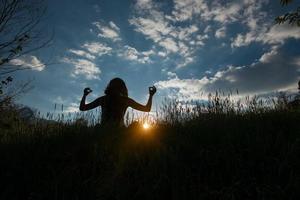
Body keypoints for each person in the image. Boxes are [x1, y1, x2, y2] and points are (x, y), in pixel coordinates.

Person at [79, 77, 156, 127]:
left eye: (116, 87)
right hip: (110, 132)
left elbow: (147, 109)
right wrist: (84, 95)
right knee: (97, 127)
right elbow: (82, 108)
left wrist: (151, 95)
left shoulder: (105, 99)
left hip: (116, 132)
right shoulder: (123, 100)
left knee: (135, 125)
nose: (115, 89)